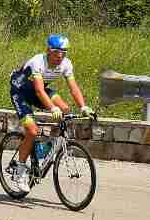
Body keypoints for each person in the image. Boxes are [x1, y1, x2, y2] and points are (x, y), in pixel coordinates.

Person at [7, 34, 92, 194]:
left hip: (37, 90)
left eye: (63, 53)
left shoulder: (66, 64)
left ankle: (51, 144)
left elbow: (73, 88)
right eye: (56, 53)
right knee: (32, 130)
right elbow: (39, 91)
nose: (60, 57)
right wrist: (52, 108)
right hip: (20, 92)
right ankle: (19, 170)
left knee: (65, 109)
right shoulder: (38, 61)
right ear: (48, 51)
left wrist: (83, 107)